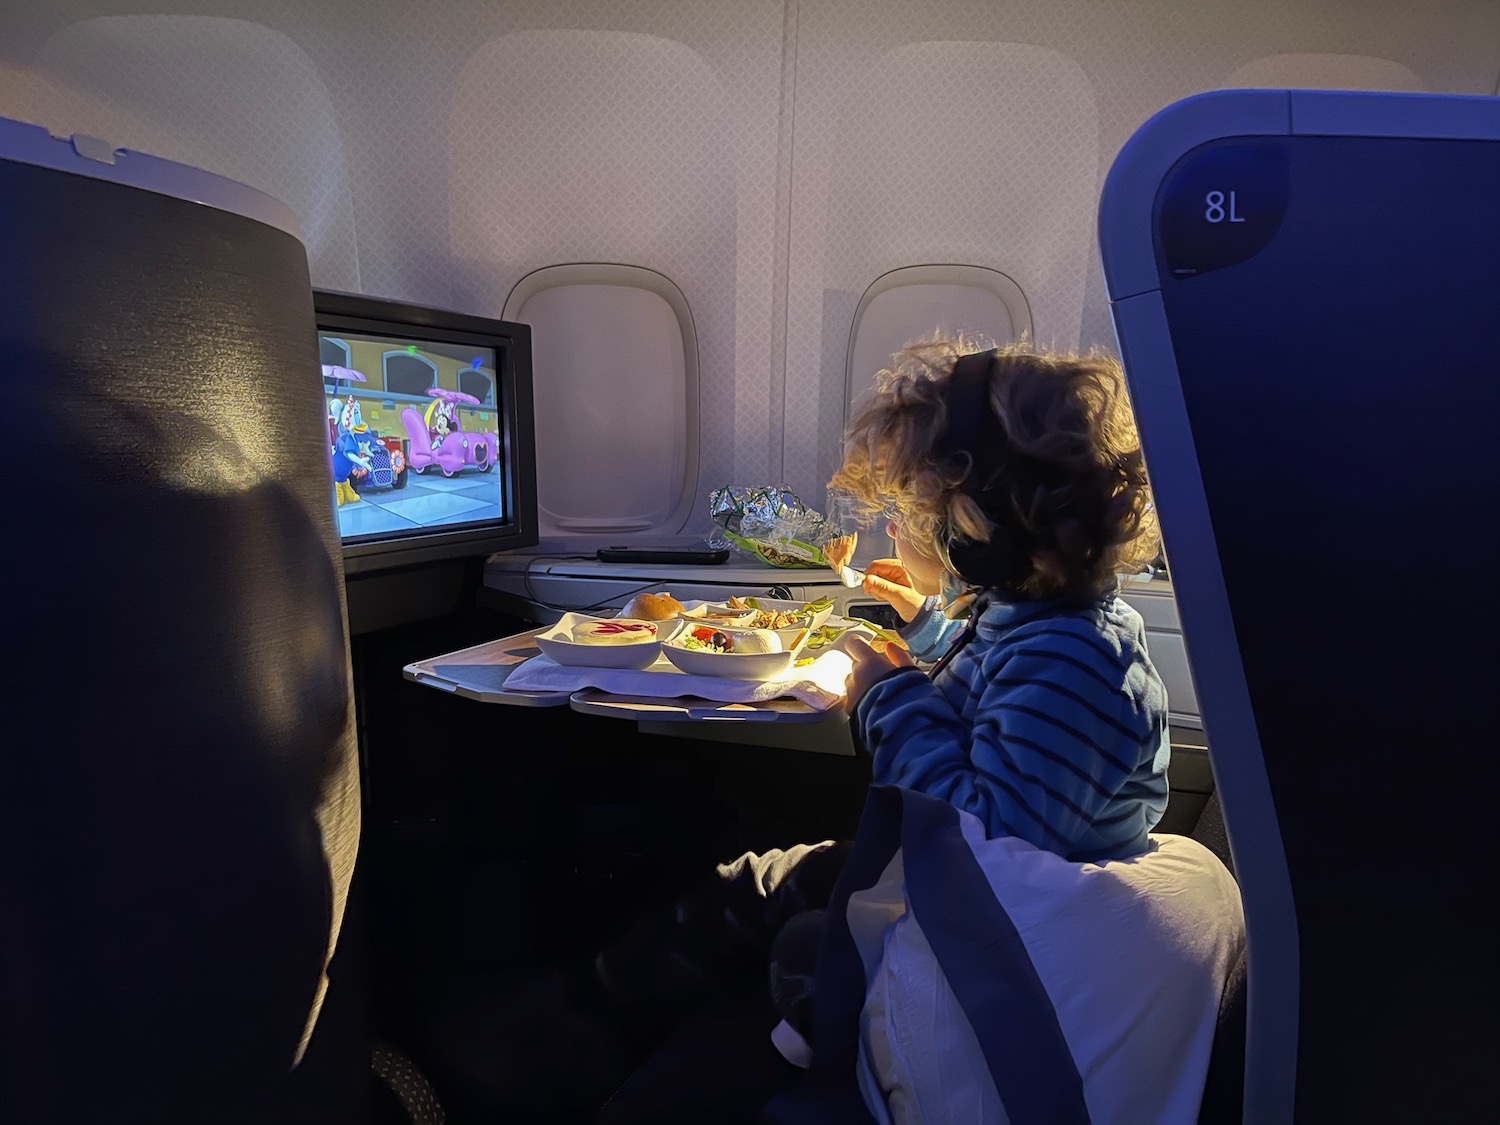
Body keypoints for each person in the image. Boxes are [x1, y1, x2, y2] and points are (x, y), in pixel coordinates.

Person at [826, 336, 1169, 863]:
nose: (893, 526)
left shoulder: (1074, 663)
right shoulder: (1029, 625)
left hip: (1013, 929)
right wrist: (926, 624)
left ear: (979, 536)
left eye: (910, 508)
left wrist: (890, 703)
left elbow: (989, 843)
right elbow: (994, 685)